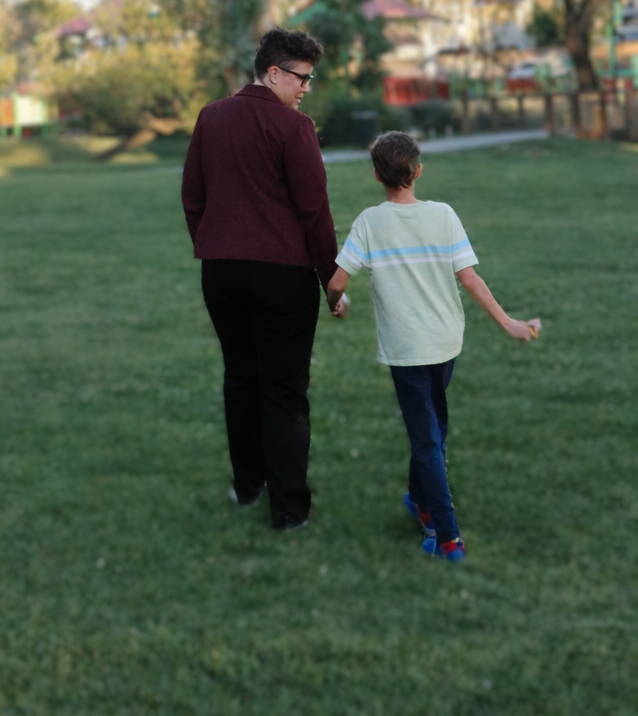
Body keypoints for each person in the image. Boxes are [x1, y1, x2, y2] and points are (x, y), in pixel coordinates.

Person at [327, 130, 541, 563]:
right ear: (418, 171)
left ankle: (446, 537)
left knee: (428, 437)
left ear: (376, 175)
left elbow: (336, 282)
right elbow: (471, 279)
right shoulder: (443, 214)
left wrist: (338, 304)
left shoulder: (369, 222)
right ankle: (424, 506)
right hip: (446, 343)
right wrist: (509, 324)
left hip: (407, 351)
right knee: (431, 431)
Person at [182, 27, 339, 532]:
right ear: (273, 73)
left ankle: (247, 484)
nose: (305, 89)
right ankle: (289, 510)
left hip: (221, 274)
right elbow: (314, 211)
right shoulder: (294, 129)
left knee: (241, 378)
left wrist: (211, 243)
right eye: (301, 78)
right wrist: (331, 281)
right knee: (285, 390)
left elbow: (193, 197)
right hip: (282, 277)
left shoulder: (211, 117)